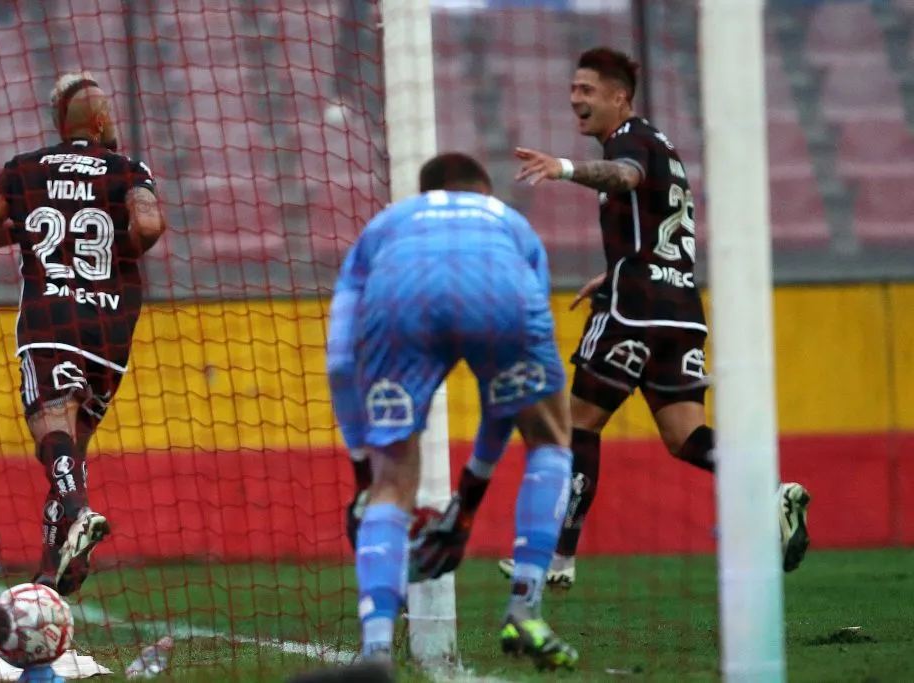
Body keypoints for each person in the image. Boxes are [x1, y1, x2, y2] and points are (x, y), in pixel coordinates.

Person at [494, 46, 811, 587]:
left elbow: (624, 177)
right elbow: (656, 220)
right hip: (680, 309)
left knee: (577, 424)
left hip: (634, 309)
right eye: (573, 90)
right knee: (683, 436)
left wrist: (564, 169)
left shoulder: (631, 141)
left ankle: (560, 559)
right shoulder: (662, 143)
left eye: (587, 91)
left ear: (620, 97)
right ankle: (771, 492)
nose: (576, 100)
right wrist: (618, 268)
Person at [328, 152, 578, 670]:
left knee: (392, 480)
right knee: (551, 437)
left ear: (424, 196)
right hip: (499, 293)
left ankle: (375, 651)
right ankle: (525, 608)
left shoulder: (386, 226)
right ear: (484, 191)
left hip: (400, 298)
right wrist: (467, 502)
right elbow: (506, 401)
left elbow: (338, 360)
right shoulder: (510, 224)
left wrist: (360, 471)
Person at [0, 71, 168, 596]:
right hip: (111, 326)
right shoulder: (128, 168)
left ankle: (77, 512)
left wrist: (27, 229)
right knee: (72, 452)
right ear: (100, 123)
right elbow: (148, 228)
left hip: (50, 316)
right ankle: (50, 575)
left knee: (49, 422)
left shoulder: (22, 168)